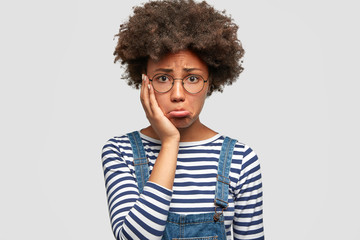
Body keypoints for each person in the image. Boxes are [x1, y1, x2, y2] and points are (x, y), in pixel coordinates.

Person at [101, 0, 264, 239]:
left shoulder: (241, 160)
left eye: (193, 79)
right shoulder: (120, 151)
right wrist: (169, 141)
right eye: (163, 78)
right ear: (144, 82)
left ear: (211, 82)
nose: (178, 95)